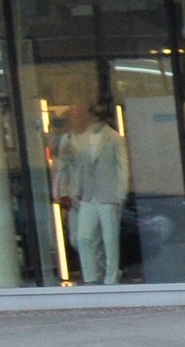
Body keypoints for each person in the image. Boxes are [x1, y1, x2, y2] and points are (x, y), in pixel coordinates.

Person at [50, 97, 129, 284]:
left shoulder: (114, 138)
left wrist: (120, 194)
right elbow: (67, 167)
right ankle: (91, 276)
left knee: (109, 239)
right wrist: (63, 192)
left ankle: (110, 278)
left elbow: (122, 167)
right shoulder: (72, 140)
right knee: (82, 238)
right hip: (85, 195)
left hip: (107, 195)